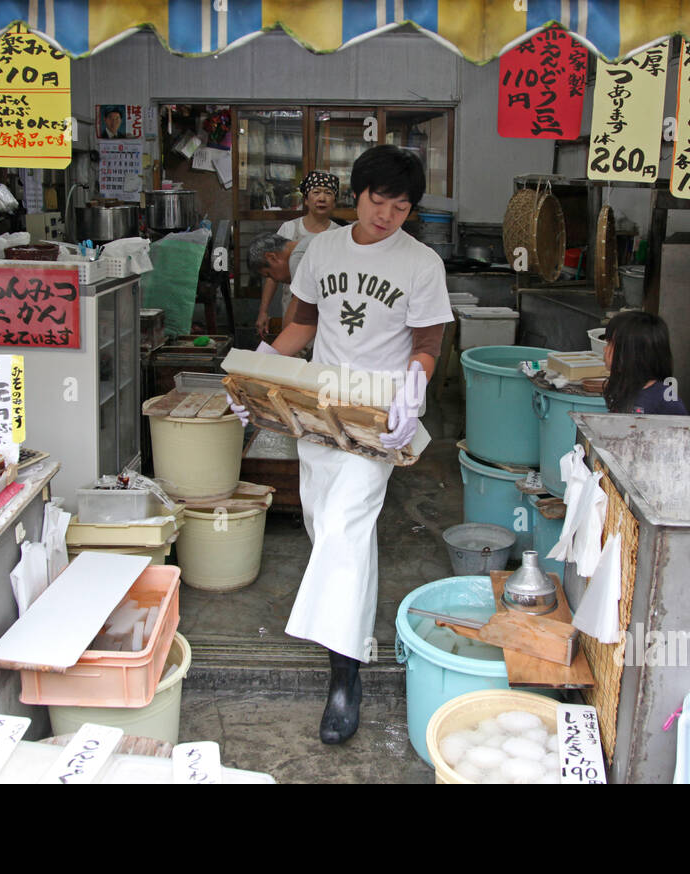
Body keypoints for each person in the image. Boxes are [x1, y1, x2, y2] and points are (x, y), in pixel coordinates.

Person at [230, 146, 453, 744]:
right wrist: (261, 366)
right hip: (320, 410)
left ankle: (343, 678)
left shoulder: (421, 262)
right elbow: (302, 325)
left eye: (402, 207)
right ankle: (354, 641)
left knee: (345, 528)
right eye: (379, 201)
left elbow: (428, 341)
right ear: (359, 194)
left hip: (378, 412)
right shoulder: (321, 250)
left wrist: (416, 381)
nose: (387, 216)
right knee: (326, 525)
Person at [255, 170, 339, 337]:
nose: (322, 198)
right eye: (316, 192)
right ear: (306, 200)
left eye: (328, 193)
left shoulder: (339, 234)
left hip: (328, 314)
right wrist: (263, 311)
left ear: (334, 201)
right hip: (292, 308)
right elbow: (272, 275)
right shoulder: (289, 229)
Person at [602, 311, 689, 415]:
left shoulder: (665, 399)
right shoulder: (620, 388)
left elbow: (682, 429)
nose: (605, 349)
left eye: (610, 344)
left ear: (633, 353)